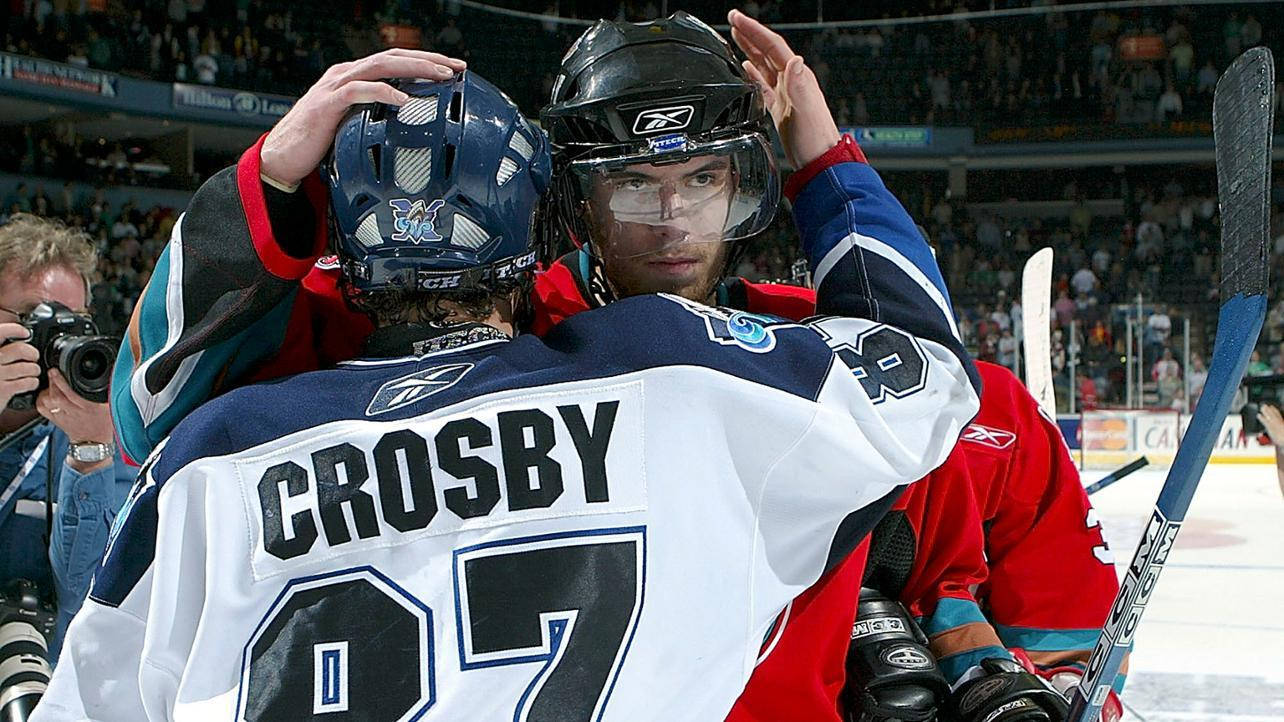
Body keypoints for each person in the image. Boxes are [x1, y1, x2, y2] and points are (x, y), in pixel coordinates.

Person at [34, 70, 977, 721]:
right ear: (544, 221)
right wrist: (822, 154)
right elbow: (924, 367)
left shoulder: (215, 455)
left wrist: (274, 173)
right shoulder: (672, 372)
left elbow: (138, 412)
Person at [0, 214, 134, 660]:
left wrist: (92, 455)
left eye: (70, 323)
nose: (52, 343)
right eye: (31, 319)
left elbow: (85, 600)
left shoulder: (104, 436)